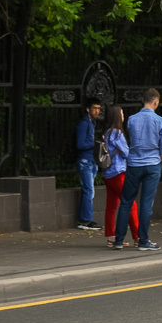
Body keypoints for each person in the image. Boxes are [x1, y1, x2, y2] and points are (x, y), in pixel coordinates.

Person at [113, 88, 162, 252]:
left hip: (134, 164)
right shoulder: (159, 121)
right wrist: (160, 164)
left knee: (126, 202)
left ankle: (118, 240)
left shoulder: (131, 119)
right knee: (146, 204)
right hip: (152, 164)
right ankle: (143, 241)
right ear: (156, 102)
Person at [100, 105, 139, 248]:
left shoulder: (106, 132)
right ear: (117, 116)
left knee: (111, 206)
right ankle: (138, 236)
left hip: (108, 174)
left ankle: (111, 236)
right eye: (122, 114)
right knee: (130, 203)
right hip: (118, 172)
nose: (123, 116)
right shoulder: (117, 133)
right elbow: (127, 153)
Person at [74, 98, 102, 230]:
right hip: (85, 161)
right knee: (88, 190)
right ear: (88, 109)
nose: (97, 111)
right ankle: (85, 220)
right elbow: (80, 144)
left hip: (90, 160)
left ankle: (85, 219)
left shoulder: (91, 123)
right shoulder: (84, 124)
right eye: (94, 108)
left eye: (98, 108)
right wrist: (94, 144)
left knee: (89, 190)